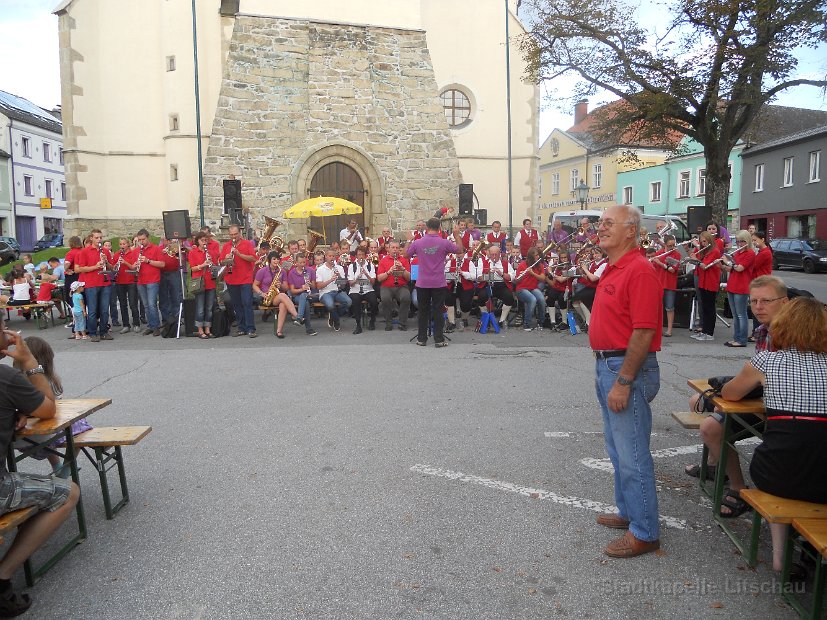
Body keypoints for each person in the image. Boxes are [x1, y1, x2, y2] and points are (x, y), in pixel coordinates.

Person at [721, 298, 827, 578]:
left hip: (777, 473)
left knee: (783, 463)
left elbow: (730, 394)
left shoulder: (767, 360)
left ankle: (781, 556)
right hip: (824, 480)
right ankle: (811, 548)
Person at [589, 204, 663, 558]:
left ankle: (645, 531)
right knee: (618, 449)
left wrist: (624, 379)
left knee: (632, 453)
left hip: (623, 367)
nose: (600, 228)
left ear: (631, 230)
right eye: (600, 222)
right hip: (609, 364)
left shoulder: (639, 270)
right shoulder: (615, 266)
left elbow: (645, 330)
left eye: (608, 223)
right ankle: (629, 512)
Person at [683, 276, 788, 512]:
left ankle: (738, 490)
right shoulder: (763, 330)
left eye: (766, 301)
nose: (759, 307)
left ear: (785, 302)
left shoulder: (793, 333)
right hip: (764, 400)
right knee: (697, 402)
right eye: (754, 301)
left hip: (782, 413)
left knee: (711, 427)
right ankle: (713, 465)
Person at [0, 324, 80, 615]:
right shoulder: (6, 377)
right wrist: (30, 362)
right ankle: (3, 577)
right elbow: (49, 409)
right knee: (68, 492)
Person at [13, 336, 93, 477]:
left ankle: (57, 465)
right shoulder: (46, 381)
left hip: (17, 439)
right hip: (41, 438)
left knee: (48, 424)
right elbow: (53, 409)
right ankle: (68, 465)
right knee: (81, 425)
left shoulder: (13, 378)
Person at [406, 218, 463, 346]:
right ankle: (438, 339)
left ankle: (421, 338)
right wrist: (457, 235)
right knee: (438, 310)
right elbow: (459, 250)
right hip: (438, 282)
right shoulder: (444, 242)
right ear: (439, 228)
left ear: (427, 228)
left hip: (422, 282)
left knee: (422, 311)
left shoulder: (418, 242)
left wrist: (409, 240)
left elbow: (405, 254)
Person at [74, 229, 114, 342]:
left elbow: (112, 268)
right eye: (97, 238)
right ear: (91, 238)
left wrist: (106, 262)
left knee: (105, 309)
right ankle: (92, 332)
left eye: (100, 237)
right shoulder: (84, 252)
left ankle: (104, 332)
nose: (99, 240)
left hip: (105, 282)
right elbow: (80, 269)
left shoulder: (105, 251)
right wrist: (96, 266)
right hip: (91, 284)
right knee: (92, 310)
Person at [219, 224, 258, 338]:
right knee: (236, 304)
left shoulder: (247, 244)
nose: (233, 236)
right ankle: (241, 328)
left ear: (240, 233)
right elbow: (220, 262)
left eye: (235, 234)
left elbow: (253, 258)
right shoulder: (226, 246)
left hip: (245, 278)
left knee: (247, 303)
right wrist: (226, 258)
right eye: (231, 235)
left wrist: (239, 254)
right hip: (231, 279)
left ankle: (251, 328)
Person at [722, 230, 755, 347]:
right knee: (735, 315)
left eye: (742, 241)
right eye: (738, 241)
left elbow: (740, 268)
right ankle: (736, 338)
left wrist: (728, 262)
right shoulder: (737, 253)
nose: (740, 244)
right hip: (732, 285)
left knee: (741, 314)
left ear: (747, 241)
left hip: (742, 287)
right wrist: (721, 264)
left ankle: (742, 340)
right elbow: (732, 269)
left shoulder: (750, 253)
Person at [689, 231, 721, 341]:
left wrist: (695, 260)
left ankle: (709, 333)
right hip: (703, 281)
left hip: (711, 282)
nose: (703, 244)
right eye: (701, 241)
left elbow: (705, 266)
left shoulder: (715, 251)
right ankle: (704, 331)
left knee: (710, 308)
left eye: (705, 241)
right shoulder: (704, 251)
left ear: (710, 240)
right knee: (704, 307)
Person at [133, 229, 166, 336]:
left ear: (148, 238)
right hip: (141, 280)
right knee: (146, 305)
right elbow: (133, 266)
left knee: (152, 304)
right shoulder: (136, 251)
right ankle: (151, 326)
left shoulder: (156, 249)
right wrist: (135, 266)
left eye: (143, 239)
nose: (141, 242)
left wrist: (148, 261)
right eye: (139, 240)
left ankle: (156, 326)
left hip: (153, 280)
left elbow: (162, 264)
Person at [188, 231, 220, 339]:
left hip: (210, 282)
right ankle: (200, 330)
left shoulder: (210, 252)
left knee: (209, 308)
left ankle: (208, 329)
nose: (204, 242)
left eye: (206, 240)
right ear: (197, 241)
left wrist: (211, 265)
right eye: (202, 240)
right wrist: (203, 265)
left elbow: (215, 266)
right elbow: (192, 268)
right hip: (199, 282)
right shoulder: (193, 252)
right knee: (200, 308)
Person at [649, 235, 681, 337]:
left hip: (670, 284)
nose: (671, 247)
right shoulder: (658, 254)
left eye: (673, 245)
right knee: (657, 308)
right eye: (669, 245)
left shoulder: (676, 254)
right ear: (665, 245)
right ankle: (657, 329)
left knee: (669, 307)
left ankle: (669, 330)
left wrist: (660, 263)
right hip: (659, 284)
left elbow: (672, 270)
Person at [377, 241, 412, 332]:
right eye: (393, 248)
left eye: (397, 248)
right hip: (386, 286)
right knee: (385, 299)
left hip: (401, 286)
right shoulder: (383, 261)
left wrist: (402, 269)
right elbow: (379, 278)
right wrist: (389, 272)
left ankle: (402, 323)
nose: (395, 250)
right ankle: (388, 322)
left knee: (406, 297)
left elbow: (409, 278)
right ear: (389, 249)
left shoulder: (404, 260)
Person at [282, 252, 318, 336]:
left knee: (304, 297)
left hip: (310, 294)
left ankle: (299, 318)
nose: (302, 264)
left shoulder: (310, 270)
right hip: (298, 295)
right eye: (300, 263)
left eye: (304, 262)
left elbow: (314, 287)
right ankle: (308, 328)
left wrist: (309, 283)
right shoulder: (292, 273)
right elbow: (292, 291)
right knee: (304, 300)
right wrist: (301, 289)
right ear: (296, 263)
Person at [316, 249, 351, 332]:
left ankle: (334, 316)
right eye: (330, 256)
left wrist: (339, 277)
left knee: (348, 302)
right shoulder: (320, 269)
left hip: (337, 291)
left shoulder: (339, 268)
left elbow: (343, 285)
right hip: (325, 292)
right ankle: (337, 320)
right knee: (330, 305)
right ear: (326, 257)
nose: (332, 258)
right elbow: (319, 286)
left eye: (333, 256)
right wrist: (330, 280)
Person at [514, 247, 548, 331]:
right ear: (531, 256)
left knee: (541, 299)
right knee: (532, 299)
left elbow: (543, 278)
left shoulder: (540, 265)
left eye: (538, 255)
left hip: (533, 288)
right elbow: (516, 281)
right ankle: (527, 324)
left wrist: (532, 273)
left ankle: (541, 322)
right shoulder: (523, 264)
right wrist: (521, 276)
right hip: (521, 289)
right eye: (536, 255)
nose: (537, 257)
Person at [112, 238, 141, 334]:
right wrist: (116, 264)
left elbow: (134, 267)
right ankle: (126, 325)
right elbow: (113, 268)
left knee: (133, 304)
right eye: (120, 244)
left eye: (124, 244)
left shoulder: (133, 253)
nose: (122, 246)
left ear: (128, 244)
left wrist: (125, 262)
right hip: (120, 281)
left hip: (131, 281)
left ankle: (136, 323)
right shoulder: (117, 254)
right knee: (123, 304)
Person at [347, 247, 378, 334]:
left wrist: (366, 274)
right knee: (356, 301)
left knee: (374, 301)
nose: (361, 257)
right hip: (355, 290)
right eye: (359, 255)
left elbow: (373, 282)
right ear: (356, 256)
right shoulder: (351, 266)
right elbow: (351, 283)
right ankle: (358, 325)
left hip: (368, 289)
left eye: (363, 255)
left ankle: (372, 320)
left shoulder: (370, 265)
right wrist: (357, 277)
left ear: (365, 255)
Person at [486, 244, 515, 328]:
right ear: (489, 254)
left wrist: (501, 274)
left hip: (501, 285)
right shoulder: (484, 262)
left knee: (509, 297)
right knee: (482, 296)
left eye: (496, 254)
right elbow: (478, 277)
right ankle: (487, 319)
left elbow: (512, 277)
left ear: (500, 254)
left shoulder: (505, 263)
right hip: (488, 284)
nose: (494, 256)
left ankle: (502, 320)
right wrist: (487, 274)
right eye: (492, 254)